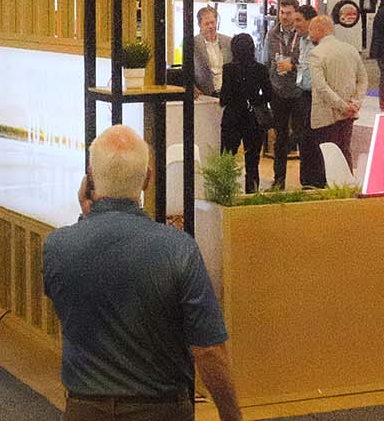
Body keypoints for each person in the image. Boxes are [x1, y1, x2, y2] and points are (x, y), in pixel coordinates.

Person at [43, 125, 243, 421]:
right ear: (148, 178)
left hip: (85, 409)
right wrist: (231, 415)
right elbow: (209, 350)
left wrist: (88, 215)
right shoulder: (179, 249)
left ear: (91, 178)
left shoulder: (57, 247)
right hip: (162, 410)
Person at [304, 15, 367, 184]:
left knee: (327, 156)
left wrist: (342, 106)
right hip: (349, 115)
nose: (309, 34)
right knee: (344, 151)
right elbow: (363, 79)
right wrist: (355, 103)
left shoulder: (315, 54)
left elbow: (321, 87)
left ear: (320, 30)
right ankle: (347, 189)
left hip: (326, 115)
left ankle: (329, 191)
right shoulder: (351, 50)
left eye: (311, 29)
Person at [219, 33, 270, 194]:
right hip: (253, 118)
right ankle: (252, 192)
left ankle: (226, 191)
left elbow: (224, 97)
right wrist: (255, 100)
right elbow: (269, 94)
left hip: (232, 117)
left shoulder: (228, 69)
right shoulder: (261, 69)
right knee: (253, 160)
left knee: (227, 157)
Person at [264, 0, 307, 189]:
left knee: (300, 134)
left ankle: (306, 180)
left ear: (296, 13)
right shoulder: (272, 34)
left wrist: (293, 66)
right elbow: (266, 61)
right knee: (280, 136)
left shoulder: (303, 34)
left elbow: (308, 62)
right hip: (278, 91)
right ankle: (278, 180)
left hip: (299, 91)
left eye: (289, 13)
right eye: (282, 13)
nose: (285, 17)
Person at [292, 4, 325, 187]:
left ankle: (316, 182)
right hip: (303, 95)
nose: (295, 24)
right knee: (303, 140)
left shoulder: (319, 43)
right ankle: (306, 182)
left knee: (313, 140)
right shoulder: (301, 41)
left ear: (310, 21)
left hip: (316, 96)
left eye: (299, 20)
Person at [191, 6, 232, 98]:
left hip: (227, 93)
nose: (211, 26)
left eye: (213, 22)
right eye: (206, 24)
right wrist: (193, 88)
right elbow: (186, 71)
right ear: (200, 25)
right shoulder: (193, 44)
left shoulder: (228, 41)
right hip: (204, 94)